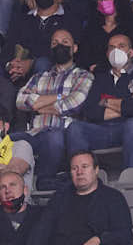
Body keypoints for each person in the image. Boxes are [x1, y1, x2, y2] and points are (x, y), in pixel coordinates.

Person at [14, 30, 94, 189]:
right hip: (36, 133)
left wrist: (39, 104)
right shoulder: (38, 77)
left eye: (65, 42)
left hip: (64, 134)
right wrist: (60, 97)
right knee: (4, 141)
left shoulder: (83, 76)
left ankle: (45, 180)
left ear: (74, 48)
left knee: (55, 137)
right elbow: (20, 100)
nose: (59, 46)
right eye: (55, 43)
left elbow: (75, 103)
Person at [66, 34, 133, 170]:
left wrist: (106, 101)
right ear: (107, 53)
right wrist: (128, 102)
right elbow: (90, 110)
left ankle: (130, 179)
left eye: (121, 46)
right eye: (112, 47)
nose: (116, 51)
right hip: (104, 129)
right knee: (75, 128)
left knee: (132, 124)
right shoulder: (100, 78)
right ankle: (84, 175)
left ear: (130, 52)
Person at [0, 0, 76, 86]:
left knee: (42, 63)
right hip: (17, 73)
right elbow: (8, 46)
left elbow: (64, 52)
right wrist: (11, 65)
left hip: (52, 76)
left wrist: (31, 63)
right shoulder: (22, 19)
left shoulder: (69, 20)